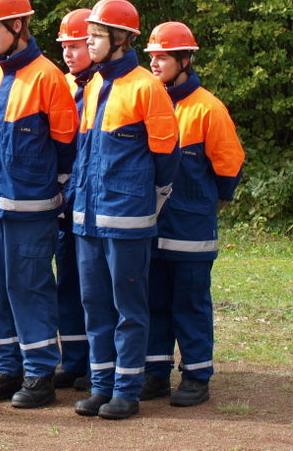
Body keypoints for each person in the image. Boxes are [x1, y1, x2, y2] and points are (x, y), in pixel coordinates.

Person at [0, 0, 78, 409]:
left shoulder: (48, 76)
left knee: (29, 288)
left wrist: (53, 193)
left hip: (29, 209)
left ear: (17, 26)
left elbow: (66, 146)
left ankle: (39, 374)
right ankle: (4, 368)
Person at [72, 0, 180, 420]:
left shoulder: (146, 87)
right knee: (94, 305)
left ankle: (126, 390)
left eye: (96, 35)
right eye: (88, 34)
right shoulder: (93, 85)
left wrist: (147, 200)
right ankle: (101, 386)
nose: (88, 42)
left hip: (127, 218)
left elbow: (166, 157)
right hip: (89, 218)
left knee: (128, 309)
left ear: (119, 39)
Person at [141, 22, 244, 407]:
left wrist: (213, 202)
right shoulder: (148, 102)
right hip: (151, 227)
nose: (155, 63)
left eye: (163, 57)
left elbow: (229, 165)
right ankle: (155, 374)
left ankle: (197, 376)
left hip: (190, 227)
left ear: (185, 60)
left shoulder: (207, 108)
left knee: (189, 303)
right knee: (153, 302)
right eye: (152, 56)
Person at [53, 8, 95, 391]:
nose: (68, 53)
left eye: (76, 46)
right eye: (64, 46)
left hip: (97, 202)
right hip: (66, 203)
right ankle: (74, 360)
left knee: (97, 289)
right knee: (67, 283)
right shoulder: (63, 85)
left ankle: (101, 363)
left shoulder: (108, 86)